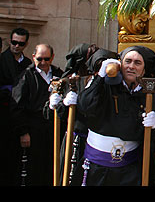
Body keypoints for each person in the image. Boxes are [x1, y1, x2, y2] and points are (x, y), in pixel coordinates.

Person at [77, 45, 155, 186]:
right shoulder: (103, 86)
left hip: (129, 170)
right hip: (97, 168)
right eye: (127, 61)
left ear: (144, 69)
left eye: (137, 63)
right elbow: (85, 107)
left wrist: (154, 127)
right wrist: (100, 77)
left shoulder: (150, 96)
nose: (131, 66)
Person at [49, 46, 117, 186]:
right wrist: (61, 104)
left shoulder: (115, 87)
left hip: (98, 144)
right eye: (98, 66)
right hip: (77, 138)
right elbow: (62, 115)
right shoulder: (79, 82)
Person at [11, 44, 63, 185]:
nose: (43, 62)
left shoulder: (59, 74)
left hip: (53, 129)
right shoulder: (26, 76)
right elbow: (17, 106)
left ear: (52, 57)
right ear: (34, 57)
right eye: (40, 59)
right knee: (34, 167)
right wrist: (23, 132)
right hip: (34, 128)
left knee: (52, 165)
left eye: (47, 59)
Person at [0, 27, 31, 185]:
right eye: (14, 42)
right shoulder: (2, 60)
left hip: (21, 116)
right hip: (5, 116)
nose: (16, 46)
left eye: (20, 43)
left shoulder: (28, 64)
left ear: (25, 44)